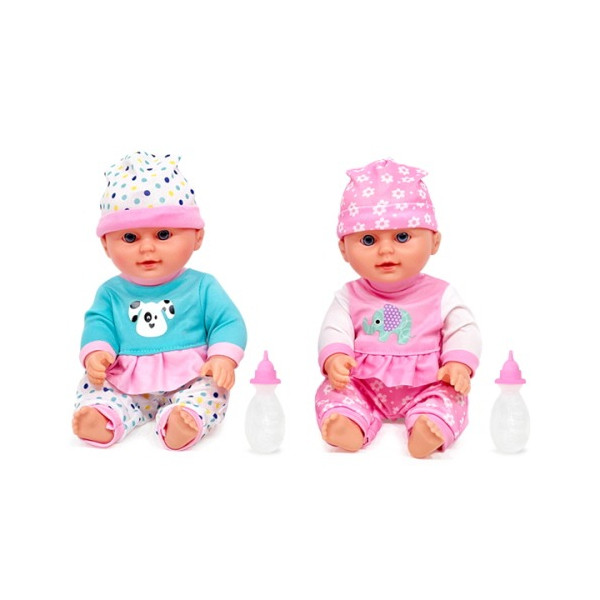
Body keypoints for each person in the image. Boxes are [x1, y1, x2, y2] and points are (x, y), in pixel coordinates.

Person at [72, 151, 246, 451]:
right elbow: (98, 324)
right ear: (106, 245)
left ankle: (185, 418)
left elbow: (228, 321)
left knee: (210, 390)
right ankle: (104, 415)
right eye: (130, 238)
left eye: (163, 234)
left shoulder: (202, 286)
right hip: (125, 378)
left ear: (197, 237)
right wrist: (97, 352)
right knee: (100, 387)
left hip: (191, 376)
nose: (147, 248)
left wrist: (222, 357)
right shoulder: (110, 293)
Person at [316, 159, 481, 458]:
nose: (386, 250)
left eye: (402, 237)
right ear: (343, 249)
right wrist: (335, 357)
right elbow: (334, 328)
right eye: (368, 239)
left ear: (434, 241)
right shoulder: (349, 296)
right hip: (363, 386)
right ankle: (349, 421)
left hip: (430, 383)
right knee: (333, 391)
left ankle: (429, 424)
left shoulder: (441, 294)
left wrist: (459, 363)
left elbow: (464, 328)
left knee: (451, 396)